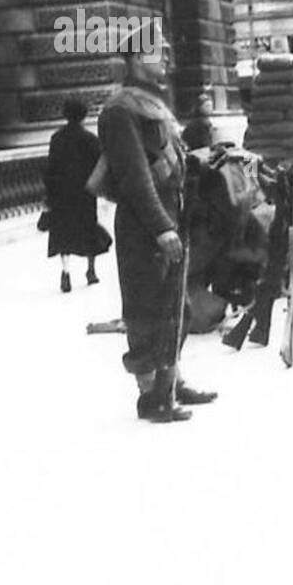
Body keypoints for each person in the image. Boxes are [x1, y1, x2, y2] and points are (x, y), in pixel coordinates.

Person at [98, 28, 217, 423]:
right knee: (147, 308)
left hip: (170, 214)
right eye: (155, 52)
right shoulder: (119, 109)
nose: (164, 58)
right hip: (144, 224)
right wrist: (162, 227)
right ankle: (150, 396)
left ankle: (173, 380)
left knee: (175, 304)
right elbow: (134, 177)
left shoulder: (151, 103)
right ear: (133, 59)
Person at [44, 98, 111, 292]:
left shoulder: (56, 138)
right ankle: (91, 271)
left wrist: (49, 195)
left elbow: (51, 168)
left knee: (63, 233)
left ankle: (65, 273)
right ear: (83, 116)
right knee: (88, 228)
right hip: (84, 193)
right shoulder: (90, 139)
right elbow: (99, 167)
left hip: (61, 194)